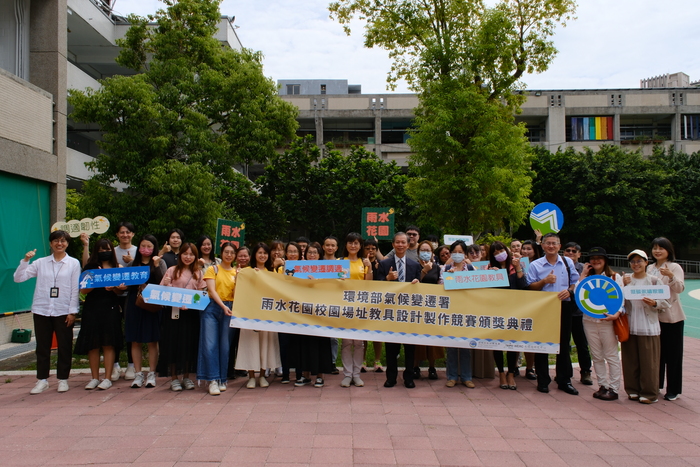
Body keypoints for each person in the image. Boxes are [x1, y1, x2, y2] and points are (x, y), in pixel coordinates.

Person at [14, 230, 80, 394]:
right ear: (50, 244)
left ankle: (63, 379)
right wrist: (26, 261)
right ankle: (41, 380)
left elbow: (74, 289)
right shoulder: (40, 263)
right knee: (42, 347)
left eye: (63, 241)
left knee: (64, 346)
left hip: (63, 310)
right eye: (56, 241)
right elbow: (18, 278)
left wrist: (73, 311)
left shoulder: (73, 263)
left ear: (67, 243)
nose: (60, 243)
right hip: (42, 309)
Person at [526, 232, 580, 395]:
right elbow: (530, 287)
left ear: (559, 246)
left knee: (564, 344)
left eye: (554, 243)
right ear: (542, 245)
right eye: (547, 243)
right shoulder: (535, 265)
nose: (551, 246)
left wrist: (569, 291)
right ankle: (543, 380)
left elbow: (574, 282)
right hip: (543, 308)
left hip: (563, 306)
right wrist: (544, 282)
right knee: (542, 344)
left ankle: (564, 380)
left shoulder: (567, 262)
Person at [74, 239, 125, 390]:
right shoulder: (90, 268)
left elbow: (120, 290)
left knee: (109, 343)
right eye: (101, 250)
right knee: (93, 344)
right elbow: (83, 290)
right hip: (92, 308)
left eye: (107, 249)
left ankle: (108, 378)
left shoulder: (117, 268)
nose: (105, 253)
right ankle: (94, 377)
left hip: (110, 308)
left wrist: (116, 288)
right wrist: (97, 282)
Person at [622, 249, 669, 404]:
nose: (636, 264)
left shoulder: (654, 281)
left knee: (649, 362)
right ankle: (633, 390)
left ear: (646, 263)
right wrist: (624, 285)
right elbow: (620, 301)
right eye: (633, 261)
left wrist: (655, 303)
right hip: (631, 325)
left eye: (639, 261)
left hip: (649, 326)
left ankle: (649, 393)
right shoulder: (627, 280)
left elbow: (665, 303)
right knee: (631, 361)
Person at [157, 243, 206, 391]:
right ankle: (173, 378)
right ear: (180, 256)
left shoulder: (198, 273)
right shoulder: (172, 270)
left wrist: (191, 302)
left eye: (191, 255)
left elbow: (202, 294)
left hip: (191, 314)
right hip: (173, 313)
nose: (188, 257)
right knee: (173, 344)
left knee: (188, 345)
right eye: (185, 254)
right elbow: (161, 293)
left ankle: (186, 377)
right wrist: (166, 284)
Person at [577, 247, 624, 401]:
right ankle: (602, 385)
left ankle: (614, 388)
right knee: (596, 355)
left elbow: (621, 300)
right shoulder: (586, 279)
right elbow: (578, 295)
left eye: (599, 258)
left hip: (607, 321)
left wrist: (616, 314)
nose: (596, 261)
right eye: (592, 258)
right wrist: (583, 274)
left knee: (611, 355)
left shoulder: (614, 277)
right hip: (589, 320)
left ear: (605, 260)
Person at [377, 232, 422, 388]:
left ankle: (409, 377)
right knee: (391, 347)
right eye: (398, 242)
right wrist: (387, 279)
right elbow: (376, 287)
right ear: (393, 244)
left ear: (408, 244)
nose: (400, 245)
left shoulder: (415, 265)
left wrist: (418, 283)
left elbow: (421, 291)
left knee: (410, 347)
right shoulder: (384, 264)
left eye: (403, 242)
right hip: (391, 311)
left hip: (409, 312)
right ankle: (391, 377)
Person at [235, 243, 282, 388]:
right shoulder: (246, 271)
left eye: (265, 253)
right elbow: (239, 289)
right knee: (250, 343)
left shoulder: (272, 272)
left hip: (267, 314)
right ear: (254, 255)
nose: (262, 255)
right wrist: (240, 276)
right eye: (260, 252)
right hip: (249, 313)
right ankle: (251, 376)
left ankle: (262, 375)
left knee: (265, 344)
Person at [289, 242, 334, 388]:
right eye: (310, 252)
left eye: (315, 252)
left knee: (320, 343)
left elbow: (332, 288)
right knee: (303, 343)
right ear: (305, 255)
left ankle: (320, 376)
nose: (312, 255)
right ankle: (305, 375)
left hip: (320, 312)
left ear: (320, 255)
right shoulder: (297, 269)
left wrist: (317, 283)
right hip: (303, 312)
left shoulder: (327, 269)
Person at [647, 237, 686, 401]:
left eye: (661, 248)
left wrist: (671, 276)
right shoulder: (649, 267)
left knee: (673, 355)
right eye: (655, 248)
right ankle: (656, 384)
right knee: (657, 354)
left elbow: (680, 288)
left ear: (668, 250)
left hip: (672, 318)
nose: (657, 251)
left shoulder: (674, 267)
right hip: (654, 316)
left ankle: (673, 389)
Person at [126, 234, 167, 389]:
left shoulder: (160, 262)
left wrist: (156, 267)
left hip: (152, 304)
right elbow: (126, 286)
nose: (146, 249)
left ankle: (151, 373)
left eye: (149, 246)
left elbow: (164, 282)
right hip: (134, 303)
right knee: (135, 339)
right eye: (143, 246)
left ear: (154, 248)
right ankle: (138, 374)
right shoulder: (132, 264)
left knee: (152, 339)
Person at [198, 242, 237, 395]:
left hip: (230, 308)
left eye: (231, 253)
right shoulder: (212, 269)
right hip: (212, 308)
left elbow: (238, 294)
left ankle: (222, 379)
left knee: (225, 346)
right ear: (221, 253)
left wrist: (240, 280)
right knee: (210, 344)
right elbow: (211, 290)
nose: (229, 255)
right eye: (226, 252)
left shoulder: (236, 272)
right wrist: (222, 306)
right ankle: (212, 380)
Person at [488, 241, 527, 390]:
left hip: (514, 311)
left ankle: (511, 372)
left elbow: (523, 285)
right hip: (497, 311)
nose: (499, 254)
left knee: (512, 343)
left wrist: (517, 268)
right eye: (495, 252)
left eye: (501, 250)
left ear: (507, 250)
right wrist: (493, 274)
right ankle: (501, 373)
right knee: (497, 343)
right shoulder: (489, 269)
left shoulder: (517, 266)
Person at [439, 240, 475, 389]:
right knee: (452, 345)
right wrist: (449, 277)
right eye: (455, 252)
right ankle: (452, 376)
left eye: (461, 252)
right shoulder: (446, 268)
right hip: (451, 310)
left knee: (465, 345)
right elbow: (440, 287)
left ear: (465, 254)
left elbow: (476, 287)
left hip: (466, 310)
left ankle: (467, 377)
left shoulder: (471, 269)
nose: (458, 255)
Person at [340, 234, 373, 387]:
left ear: (360, 246)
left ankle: (357, 374)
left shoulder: (364, 262)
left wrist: (370, 268)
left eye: (356, 243)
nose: (353, 246)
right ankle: (347, 375)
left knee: (358, 342)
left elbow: (369, 285)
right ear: (345, 245)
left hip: (360, 307)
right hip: (343, 306)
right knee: (346, 342)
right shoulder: (339, 262)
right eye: (350, 243)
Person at [563, 242, 592, 386]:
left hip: (580, 313)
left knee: (582, 344)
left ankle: (586, 372)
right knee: (564, 344)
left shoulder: (586, 269)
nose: (570, 253)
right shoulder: (559, 266)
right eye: (567, 250)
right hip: (564, 310)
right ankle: (565, 373)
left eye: (574, 251)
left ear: (579, 254)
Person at [414, 240, 444, 381]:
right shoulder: (413, 266)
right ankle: (415, 367)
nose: (425, 253)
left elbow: (441, 285)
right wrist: (424, 271)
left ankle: (432, 368)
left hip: (432, 308)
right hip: (416, 307)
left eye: (428, 250)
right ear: (418, 252)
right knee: (415, 339)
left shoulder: (437, 268)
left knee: (432, 340)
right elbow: (410, 283)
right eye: (423, 250)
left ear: (432, 253)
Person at [520, 239, 541, 381]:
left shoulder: (541, 264)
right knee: (519, 336)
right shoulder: (516, 263)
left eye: (529, 249)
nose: (526, 251)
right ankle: (521, 367)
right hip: (520, 302)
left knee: (535, 337)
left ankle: (533, 367)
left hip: (537, 303)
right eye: (524, 249)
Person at [362, 238, 384, 372]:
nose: (370, 251)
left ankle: (377, 360)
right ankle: (362, 360)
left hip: (378, 303)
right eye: (368, 248)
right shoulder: (359, 263)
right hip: (362, 302)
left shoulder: (382, 264)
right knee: (363, 334)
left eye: (373, 249)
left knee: (377, 334)